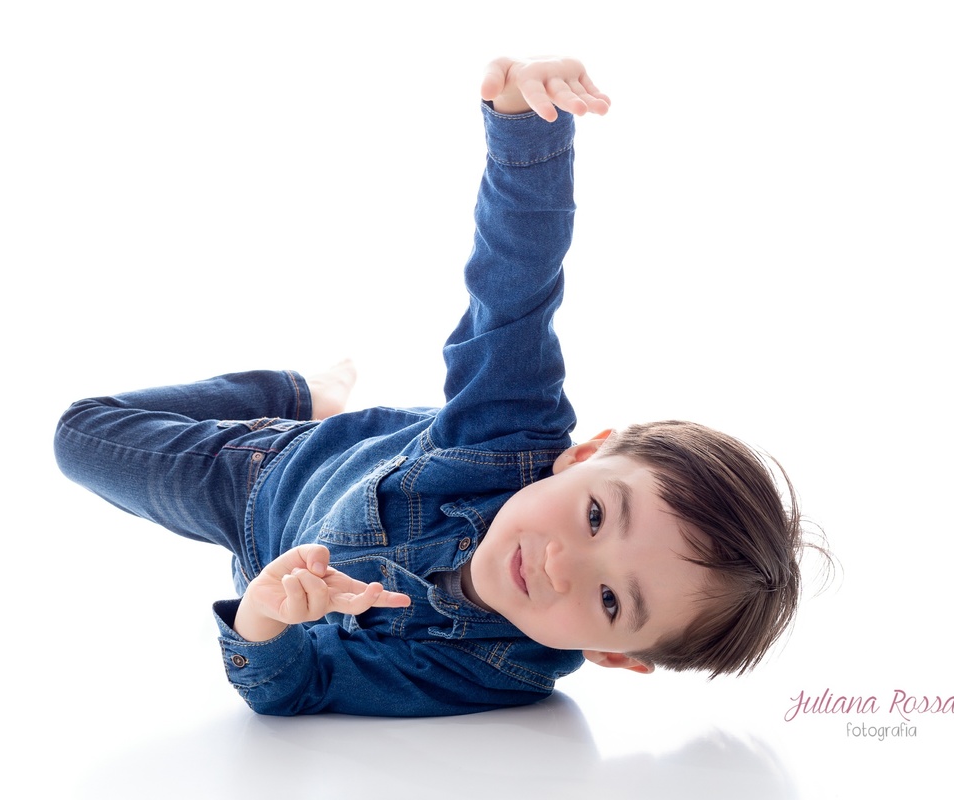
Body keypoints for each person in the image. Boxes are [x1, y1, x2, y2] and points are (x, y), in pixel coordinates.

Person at [55, 56, 813, 716]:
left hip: (271, 577)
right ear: (585, 458)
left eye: (610, 602)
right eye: (592, 516)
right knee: (81, 435)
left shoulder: (493, 672)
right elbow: (516, 287)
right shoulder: (507, 435)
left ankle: (305, 406)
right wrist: (528, 126)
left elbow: (297, 689)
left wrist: (264, 620)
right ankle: (297, 396)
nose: (560, 565)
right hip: (265, 476)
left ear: (615, 657)